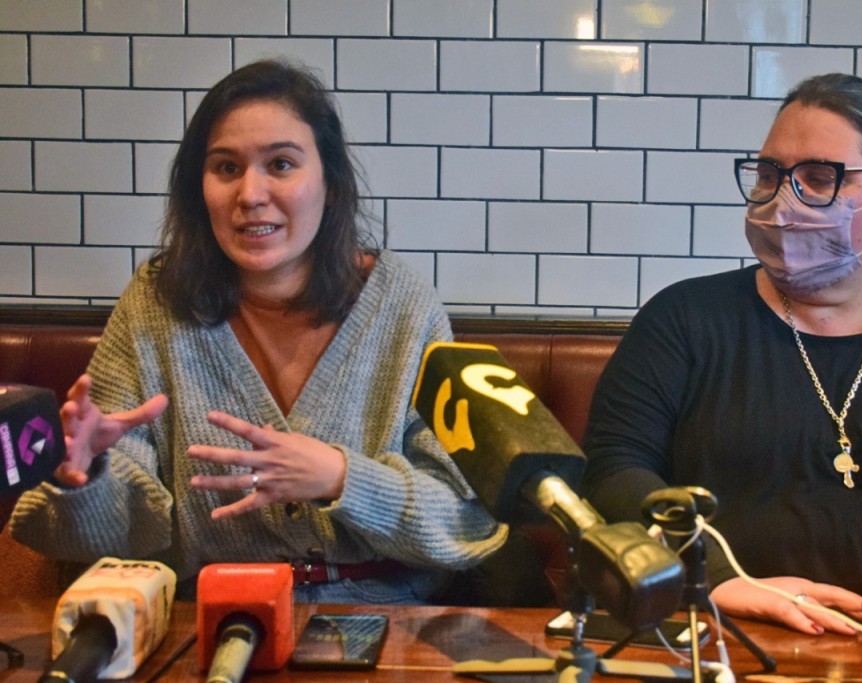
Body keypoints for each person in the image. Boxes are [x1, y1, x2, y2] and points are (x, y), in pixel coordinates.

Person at [10, 59, 505, 602]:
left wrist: (341, 476)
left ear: (330, 184)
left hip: (386, 618)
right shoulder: (156, 303)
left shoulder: (403, 306)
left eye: (281, 164)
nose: (250, 194)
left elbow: (464, 518)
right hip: (205, 615)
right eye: (226, 167)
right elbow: (107, 534)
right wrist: (86, 476)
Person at [582, 72, 862, 642]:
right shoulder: (683, 319)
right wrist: (715, 580)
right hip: (731, 636)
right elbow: (613, 470)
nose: (782, 203)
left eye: (819, 178)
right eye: (769, 175)